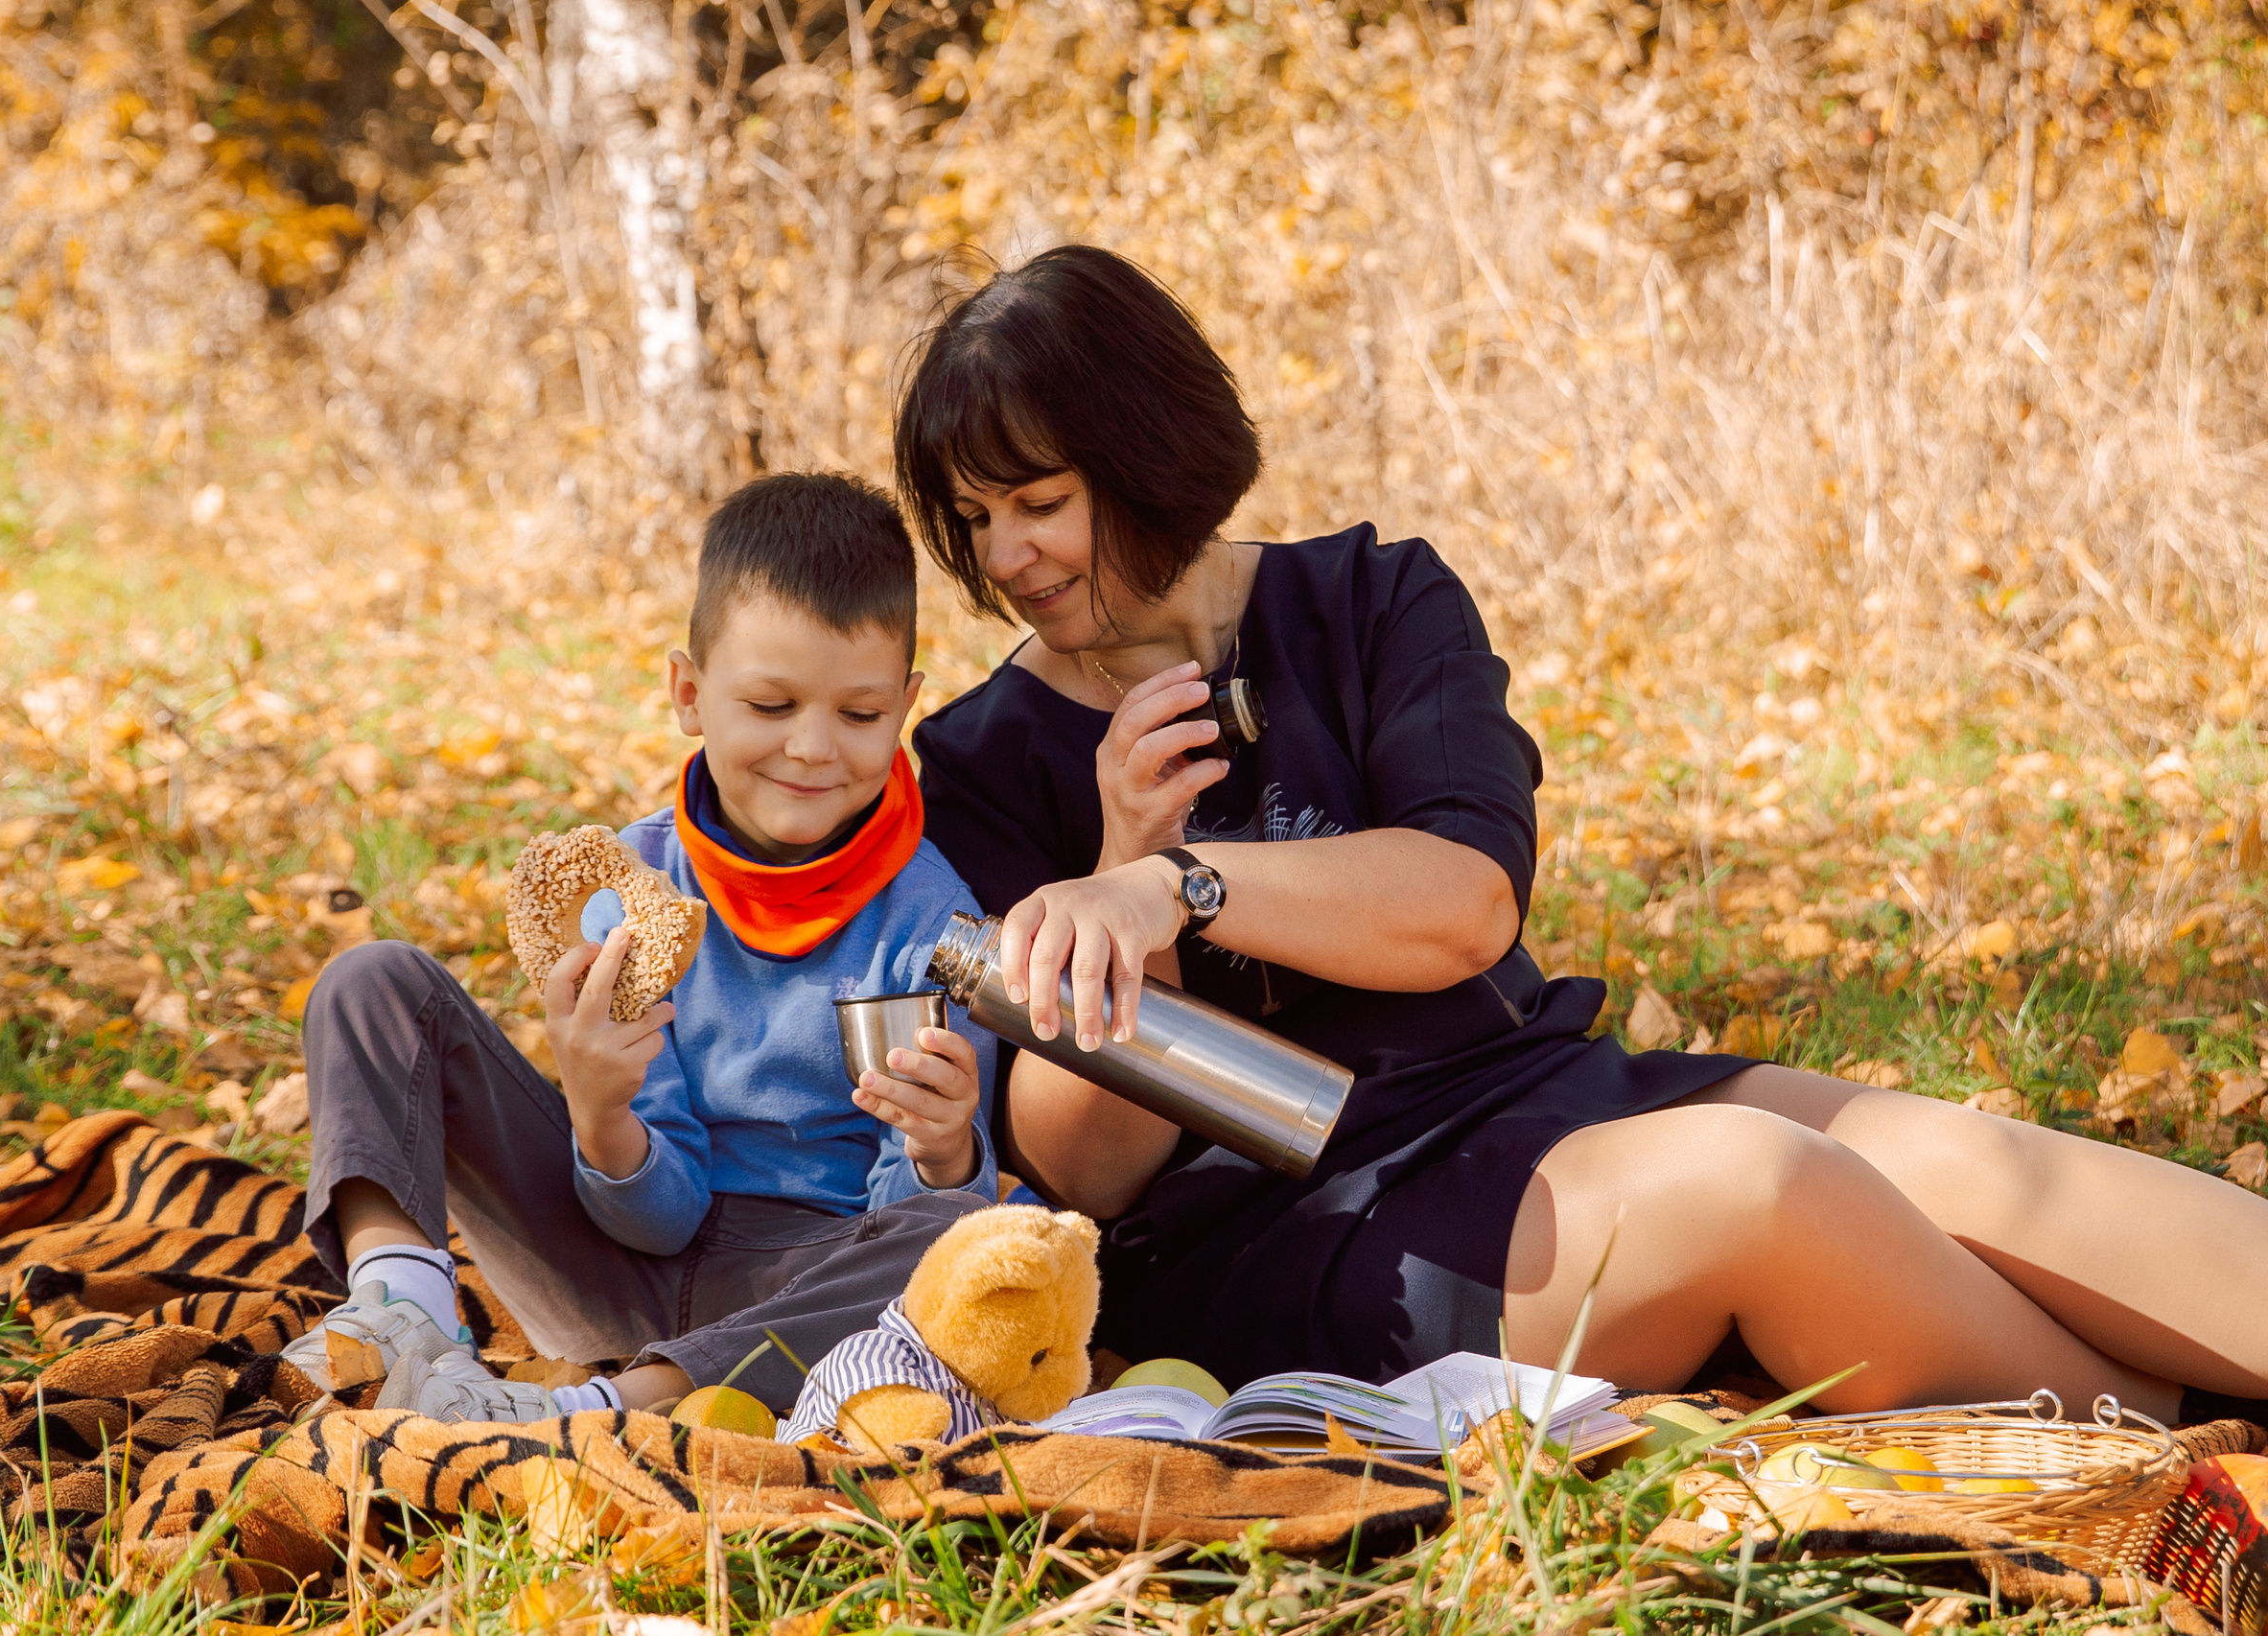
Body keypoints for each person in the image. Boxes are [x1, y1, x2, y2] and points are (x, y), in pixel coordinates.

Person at [900, 245, 2268, 1424]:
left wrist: (1178, 881)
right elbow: (1087, 1172)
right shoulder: (981, 757)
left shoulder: (1373, 600)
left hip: (1526, 1088)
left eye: (1039, 502)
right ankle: (2189, 1452)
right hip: (1293, 1228)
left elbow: (1463, 909)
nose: (1007, 557)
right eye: (975, 520)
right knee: (1763, 1184)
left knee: (1976, 1162)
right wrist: (1111, 880)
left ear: (1143, 452)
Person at [289, 472, 1000, 1423]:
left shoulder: (935, 926)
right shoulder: (634, 890)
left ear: (905, 706)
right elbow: (656, 1218)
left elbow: (907, 1215)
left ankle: (605, 1408)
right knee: (372, 982)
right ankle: (399, 1312)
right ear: (689, 693)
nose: (812, 747)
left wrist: (940, 1148)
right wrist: (600, 1112)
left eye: (860, 715)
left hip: (807, 1296)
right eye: (772, 705)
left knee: (966, 1231)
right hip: (612, 1264)